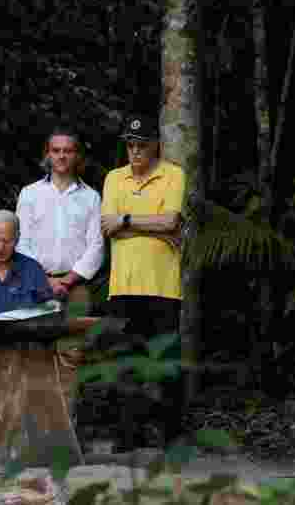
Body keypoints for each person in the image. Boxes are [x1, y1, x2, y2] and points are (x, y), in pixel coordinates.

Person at [100, 113, 187, 450]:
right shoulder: (113, 178)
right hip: (123, 286)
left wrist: (127, 221)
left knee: (165, 362)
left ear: (156, 147)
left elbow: (171, 222)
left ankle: (171, 437)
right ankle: (127, 435)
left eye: (142, 145)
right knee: (126, 362)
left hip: (163, 286)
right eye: (130, 145)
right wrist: (148, 224)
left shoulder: (173, 175)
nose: (135, 151)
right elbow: (107, 226)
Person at [16, 127, 104, 312]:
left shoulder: (91, 197)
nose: (61, 156)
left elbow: (96, 245)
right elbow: (21, 243)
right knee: (31, 336)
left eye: (68, 151)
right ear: (48, 154)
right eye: (56, 150)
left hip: (76, 285)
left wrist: (68, 280)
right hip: (35, 281)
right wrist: (46, 280)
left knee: (75, 339)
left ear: (77, 155)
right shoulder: (30, 193)